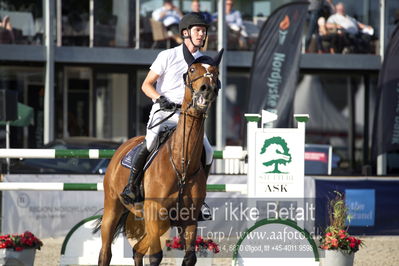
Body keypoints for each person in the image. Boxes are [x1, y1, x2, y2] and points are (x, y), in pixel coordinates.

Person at [121, 12, 215, 205]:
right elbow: (146, 85)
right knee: (151, 140)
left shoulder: (204, 62)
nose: (201, 35)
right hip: (164, 111)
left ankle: (200, 199)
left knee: (209, 150)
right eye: (198, 30)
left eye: (203, 31)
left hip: (189, 115)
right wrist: (159, 98)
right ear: (185, 33)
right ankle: (132, 186)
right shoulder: (167, 55)